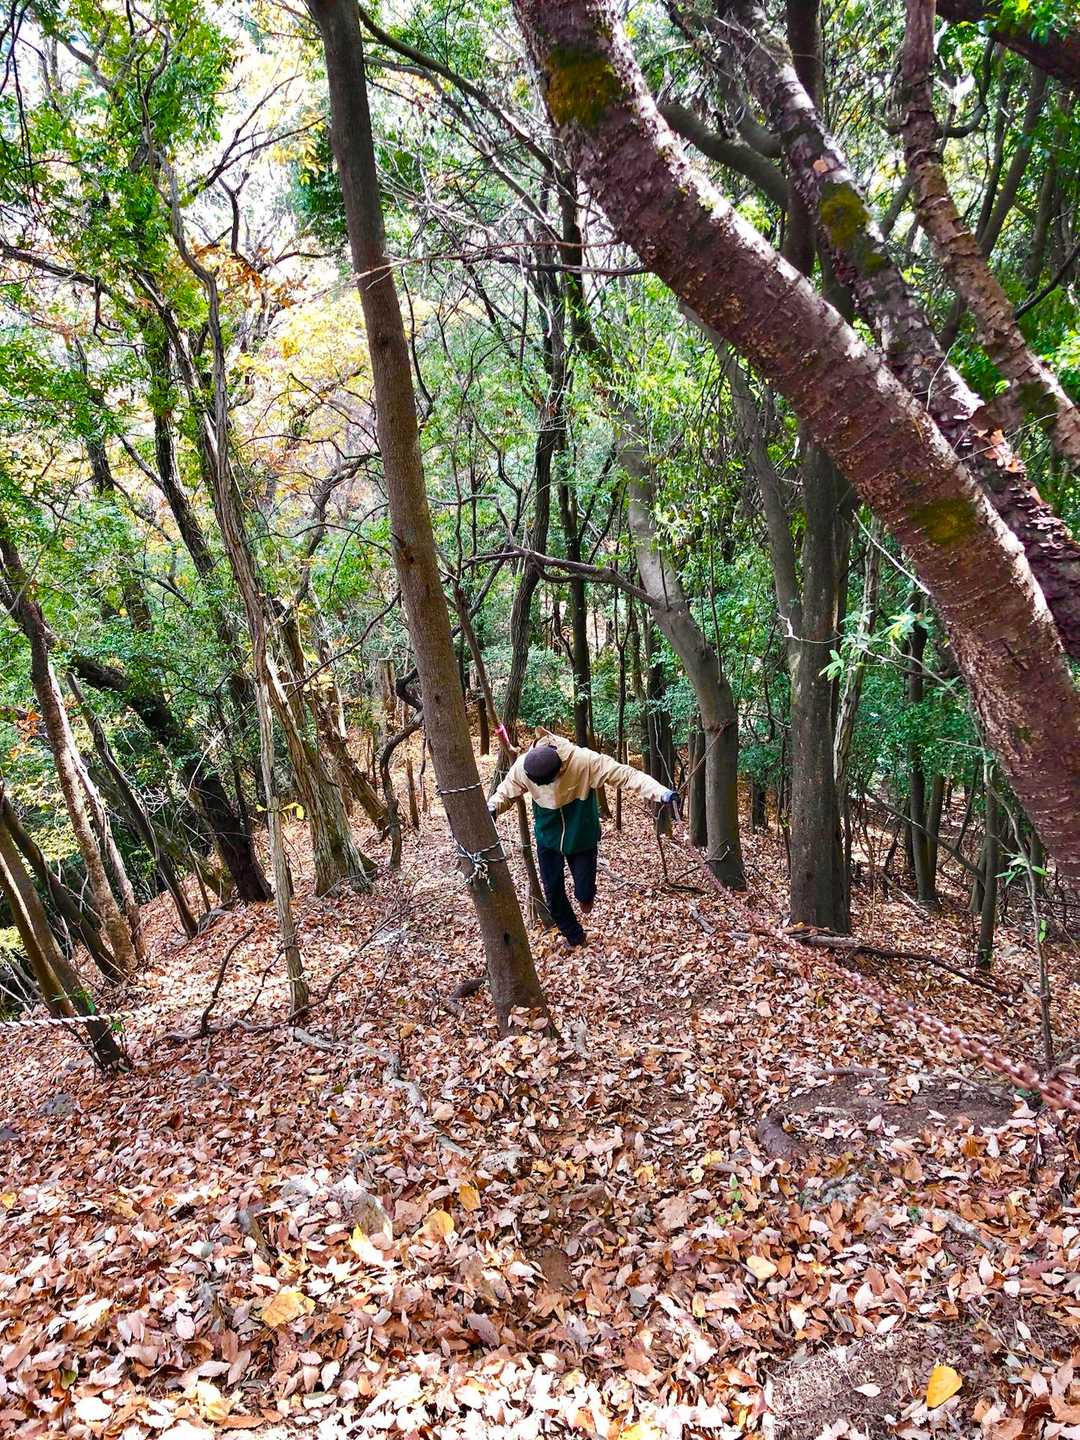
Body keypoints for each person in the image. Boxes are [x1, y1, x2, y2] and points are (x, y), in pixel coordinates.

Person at [488, 734, 679, 946]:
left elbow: (626, 775)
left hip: (581, 834)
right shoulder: (524, 766)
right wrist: (492, 808)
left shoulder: (584, 761)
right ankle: (575, 938)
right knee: (553, 892)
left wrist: (661, 792)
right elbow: (505, 793)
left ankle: (585, 897)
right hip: (547, 836)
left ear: (559, 770)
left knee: (584, 893)